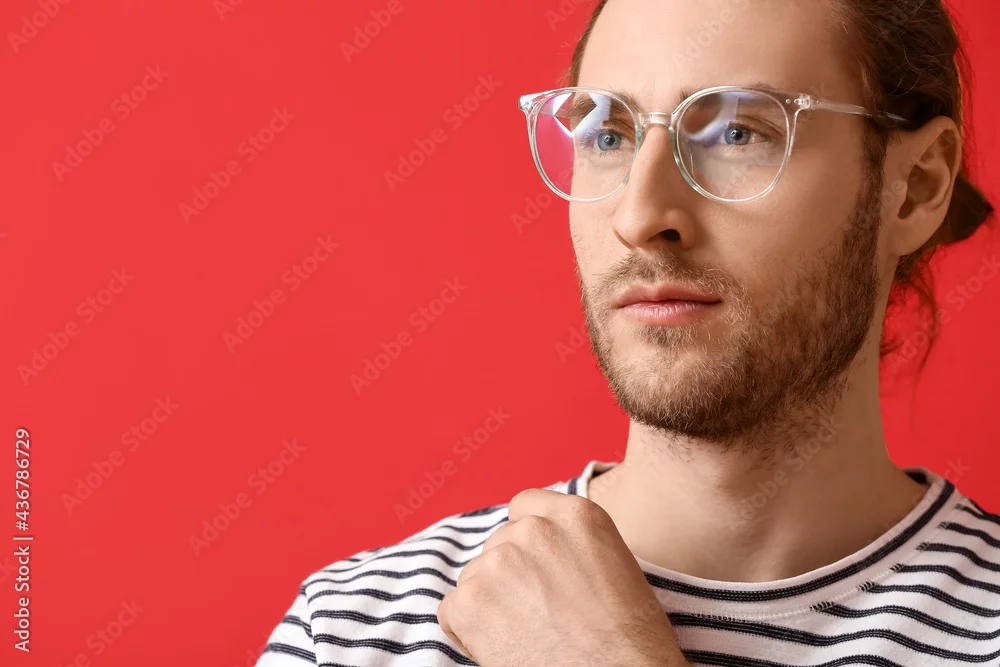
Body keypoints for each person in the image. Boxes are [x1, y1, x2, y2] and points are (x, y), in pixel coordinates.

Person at [255, 0, 997, 664]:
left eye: (737, 131)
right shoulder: (355, 632)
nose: (640, 216)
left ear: (916, 186)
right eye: (607, 135)